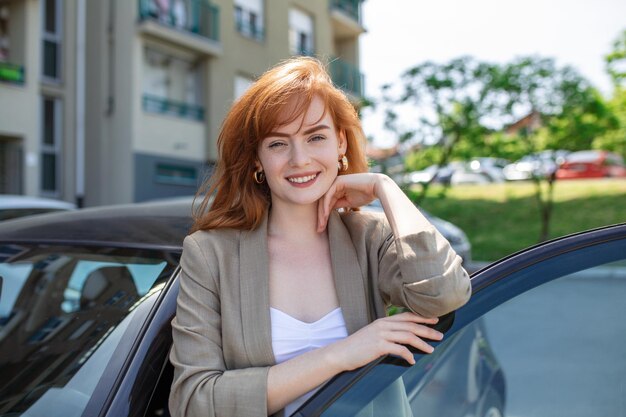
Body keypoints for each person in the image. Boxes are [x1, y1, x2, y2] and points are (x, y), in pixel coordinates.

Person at [169, 57, 471, 417]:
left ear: (340, 143)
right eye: (278, 144)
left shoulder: (370, 239)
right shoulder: (210, 254)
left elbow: (445, 296)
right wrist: (339, 355)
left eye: (316, 137)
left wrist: (386, 188)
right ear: (256, 160)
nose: (300, 159)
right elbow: (194, 402)